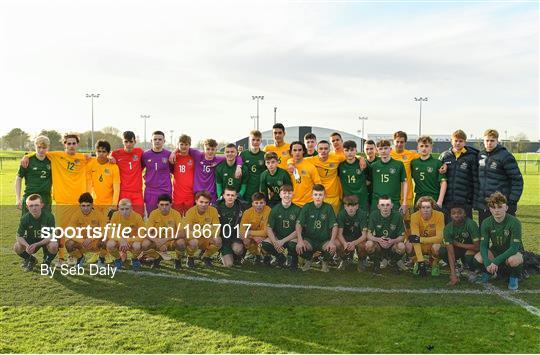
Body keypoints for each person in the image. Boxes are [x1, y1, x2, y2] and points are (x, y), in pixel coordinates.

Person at [21, 132, 91, 265]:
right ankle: (61, 257)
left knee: (77, 231)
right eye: (68, 143)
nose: (71, 146)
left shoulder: (83, 157)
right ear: (64, 145)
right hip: (62, 201)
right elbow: (40, 152)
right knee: (61, 230)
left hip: (78, 201)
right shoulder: (57, 156)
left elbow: (98, 159)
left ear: (77, 144)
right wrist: (26, 155)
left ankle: (76, 256)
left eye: (73, 143)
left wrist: (111, 159)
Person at [473, 192, 524, 290]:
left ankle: (514, 277)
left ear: (506, 208)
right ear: (490, 209)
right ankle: (490, 273)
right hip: (496, 250)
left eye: (500, 207)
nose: (497, 210)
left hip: (512, 252)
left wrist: (495, 261)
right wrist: (488, 263)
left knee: (514, 260)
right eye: (493, 207)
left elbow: (514, 248)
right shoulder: (486, 222)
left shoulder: (515, 222)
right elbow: (483, 246)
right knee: (478, 258)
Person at [170, 138, 243, 204]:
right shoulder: (197, 155)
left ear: (216, 150)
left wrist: (239, 167)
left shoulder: (218, 159)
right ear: (204, 149)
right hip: (198, 193)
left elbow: (237, 157)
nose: (210, 152)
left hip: (211, 195)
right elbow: (182, 147)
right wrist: (173, 152)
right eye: (208, 149)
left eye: (212, 149)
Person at [475, 129, 523, 225]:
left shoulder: (505, 156)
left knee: (505, 236)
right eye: (487, 140)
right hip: (484, 205)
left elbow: (517, 180)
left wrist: (512, 201)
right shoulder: (480, 156)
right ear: (483, 141)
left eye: (492, 141)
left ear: (497, 141)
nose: (489, 143)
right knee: (484, 236)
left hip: (501, 205)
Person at [295, 184, 338, 272]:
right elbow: (299, 224)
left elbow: (334, 226)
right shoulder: (307, 207)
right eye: (315, 194)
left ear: (324, 196)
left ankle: (325, 261)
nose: (318, 197)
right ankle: (308, 259)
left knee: (333, 246)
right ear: (312, 195)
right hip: (310, 240)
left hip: (324, 241)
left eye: (320, 195)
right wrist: (300, 240)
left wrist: (332, 241)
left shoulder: (328, 208)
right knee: (299, 246)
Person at [438, 129, 478, 222]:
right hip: (447, 200)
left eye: (461, 141)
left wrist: (474, 199)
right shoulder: (444, 156)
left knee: (466, 228)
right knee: (448, 228)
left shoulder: (472, 157)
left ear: (465, 142)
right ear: (451, 141)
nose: (458, 143)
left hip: (464, 201)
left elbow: (475, 180)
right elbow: (439, 177)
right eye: (456, 140)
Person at [14, 194, 58, 271]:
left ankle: (46, 262)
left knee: (54, 245)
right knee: (17, 247)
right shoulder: (25, 218)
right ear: (27, 207)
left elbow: (51, 236)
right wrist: (27, 246)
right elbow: (19, 236)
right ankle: (31, 259)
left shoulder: (49, 216)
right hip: (32, 239)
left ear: (41, 205)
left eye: (36, 205)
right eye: (31, 206)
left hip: (45, 240)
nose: (34, 208)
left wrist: (37, 244)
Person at [438, 203, 480, 286]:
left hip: (470, 250)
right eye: (453, 213)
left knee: (469, 255)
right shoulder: (448, 228)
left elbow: (477, 247)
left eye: (459, 213)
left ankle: (472, 270)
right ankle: (456, 269)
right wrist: (453, 274)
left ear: (464, 213)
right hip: (457, 250)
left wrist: (458, 244)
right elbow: (450, 253)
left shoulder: (471, 224)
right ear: (450, 215)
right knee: (443, 251)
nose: (456, 215)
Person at [261, 185, 301, 269]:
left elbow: (299, 230)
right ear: (280, 195)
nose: (287, 195)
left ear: (293, 194)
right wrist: (275, 242)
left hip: (291, 238)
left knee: (293, 244)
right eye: (284, 193)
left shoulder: (298, 210)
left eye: (289, 193)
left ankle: (293, 259)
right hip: (278, 237)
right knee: (265, 244)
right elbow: (269, 228)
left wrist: (282, 241)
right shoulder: (275, 209)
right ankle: (280, 257)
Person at [365, 196, 406, 274]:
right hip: (379, 243)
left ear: (392, 206)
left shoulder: (397, 216)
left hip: (392, 244)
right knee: (368, 244)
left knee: (402, 246)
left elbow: (402, 236)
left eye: (387, 205)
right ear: (378, 206)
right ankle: (376, 263)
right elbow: (368, 235)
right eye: (382, 205)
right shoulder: (374, 215)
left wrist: (392, 241)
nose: (385, 207)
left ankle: (393, 262)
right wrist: (378, 240)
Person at [65, 193, 108, 267]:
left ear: (92, 205)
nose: (86, 208)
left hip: (95, 243)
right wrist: (82, 241)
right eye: (83, 206)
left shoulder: (98, 214)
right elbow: (69, 232)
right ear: (80, 206)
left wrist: (91, 238)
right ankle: (80, 258)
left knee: (106, 240)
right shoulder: (76, 215)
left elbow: (105, 231)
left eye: (88, 205)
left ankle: (101, 258)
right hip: (82, 244)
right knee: (69, 244)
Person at [406, 196, 445, 277]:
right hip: (420, 245)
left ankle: (434, 263)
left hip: (432, 244)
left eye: (428, 207)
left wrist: (420, 239)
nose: (426, 210)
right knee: (408, 245)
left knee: (437, 247)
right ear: (419, 208)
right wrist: (421, 262)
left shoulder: (439, 215)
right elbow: (415, 240)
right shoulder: (414, 216)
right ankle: (416, 261)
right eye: (423, 207)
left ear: (432, 208)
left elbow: (440, 237)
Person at [145, 194, 184, 269]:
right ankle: (157, 257)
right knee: (145, 244)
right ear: (157, 205)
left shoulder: (176, 214)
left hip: (171, 241)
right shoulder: (153, 213)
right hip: (158, 241)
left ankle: (178, 260)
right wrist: (156, 241)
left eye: (167, 205)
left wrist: (165, 239)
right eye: (161, 205)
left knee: (181, 242)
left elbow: (182, 233)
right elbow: (147, 232)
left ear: (171, 205)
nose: (164, 207)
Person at [183, 191, 222, 267]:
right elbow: (188, 232)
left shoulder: (213, 211)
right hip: (195, 238)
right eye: (201, 202)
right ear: (196, 201)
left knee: (218, 240)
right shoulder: (190, 212)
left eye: (206, 202)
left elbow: (217, 229)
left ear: (209, 203)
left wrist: (204, 232)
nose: (203, 205)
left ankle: (205, 257)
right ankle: (190, 257)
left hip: (207, 238)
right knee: (193, 243)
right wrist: (203, 231)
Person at [16, 135, 52, 215]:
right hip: (30, 197)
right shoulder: (27, 160)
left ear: (48, 147)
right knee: (27, 225)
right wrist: (18, 198)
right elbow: (18, 178)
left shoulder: (52, 161)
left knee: (46, 226)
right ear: (35, 146)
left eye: (44, 147)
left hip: (45, 199)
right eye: (39, 147)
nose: (41, 150)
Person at [111, 131, 145, 216]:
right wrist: (110, 158)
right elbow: (104, 158)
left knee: (139, 216)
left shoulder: (140, 152)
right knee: (123, 217)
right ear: (122, 141)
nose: (128, 144)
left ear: (135, 142)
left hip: (137, 191)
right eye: (126, 141)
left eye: (131, 142)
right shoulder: (116, 154)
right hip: (123, 191)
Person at [369, 140, 407, 213]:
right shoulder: (373, 166)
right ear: (377, 151)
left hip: (393, 201)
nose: (383, 151)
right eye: (380, 149)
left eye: (385, 148)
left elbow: (405, 182)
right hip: (376, 202)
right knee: (375, 223)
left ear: (390, 149)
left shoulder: (399, 164)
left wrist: (404, 201)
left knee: (395, 223)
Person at [107, 198, 146, 270]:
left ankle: (134, 259)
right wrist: (121, 240)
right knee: (110, 244)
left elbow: (142, 234)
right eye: (122, 209)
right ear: (118, 208)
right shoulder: (115, 215)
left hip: (131, 242)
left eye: (127, 209)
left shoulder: (137, 216)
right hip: (120, 241)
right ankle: (118, 259)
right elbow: (110, 232)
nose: (124, 212)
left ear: (131, 208)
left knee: (137, 245)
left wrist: (127, 240)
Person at [141, 131, 173, 215]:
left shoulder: (169, 155)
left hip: (165, 190)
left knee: (165, 217)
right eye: (155, 139)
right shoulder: (145, 155)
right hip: (150, 191)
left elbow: (174, 171)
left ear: (164, 141)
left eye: (160, 139)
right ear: (151, 141)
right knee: (152, 217)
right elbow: (139, 169)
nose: (157, 141)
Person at [411, 136, 447, 207]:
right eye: (421, 146)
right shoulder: (413, 163)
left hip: (433, 197)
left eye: (427, 146)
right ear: (418, 148)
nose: (424, 148)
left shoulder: (437, 163)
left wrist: (440, 201)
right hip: (419, 197)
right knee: (417, 217)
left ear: (431, 148)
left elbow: (443, 182)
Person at [86, 140, 120, 214]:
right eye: (99, 151)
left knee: (106, 225)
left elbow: (116, 188)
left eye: (104, 151)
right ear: (96, 152)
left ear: (108, 153)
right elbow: (88, 184)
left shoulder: (114, 167)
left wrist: (114, 205)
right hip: (95, 203)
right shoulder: (90, 164)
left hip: (108, 204)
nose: (101, 154)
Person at [335, 195, 368, 271]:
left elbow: (364, 235)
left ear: (357, 206)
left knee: (363, 245)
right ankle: (344, 259)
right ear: (345, 207)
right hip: (346, 238)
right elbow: (339, 234)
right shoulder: (341, 214)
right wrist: (345, 243)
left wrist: (354, 243)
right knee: (336, 243)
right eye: (348, 206)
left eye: (353, 206)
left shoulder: (362, 214)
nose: (350, 208)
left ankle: (361, 260)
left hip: (358, 239)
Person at [216, 187, 245, 267]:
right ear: (223, 196)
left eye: (232, 195)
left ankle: (237, 256)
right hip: (223, 238)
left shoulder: (241, 207)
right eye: (228, 195)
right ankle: (221, 253)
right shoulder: (217, 207)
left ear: (236, 197)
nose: (230, 197)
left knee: (238, 249)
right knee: (228, 265)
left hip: (235, 237)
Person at [287, 141, 321, 207]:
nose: (297, 152)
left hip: (308, 203)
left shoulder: (310, 167)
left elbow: (318, 185)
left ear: (303, 151)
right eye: (294, 150)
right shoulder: (288, 166)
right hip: (292, 203)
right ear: (291, 152)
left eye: (300, 150)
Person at [240, 192, 272, 264]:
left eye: (261, 203)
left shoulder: (268, 211)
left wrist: (250, 232)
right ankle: (256, 255)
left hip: (265, 236)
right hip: (252, 237)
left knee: (265, 241)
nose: (259, 205)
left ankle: (267, 255)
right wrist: (253, 237)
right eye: (256, 203)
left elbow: (266, 232)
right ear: (252, 204)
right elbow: (241, 231)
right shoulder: (247, 213)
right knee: (246, 240)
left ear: (265, 203)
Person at [339, 140, 370, 211]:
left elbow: (369, 180)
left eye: (352, 150)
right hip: (347, 199)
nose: (349, 153)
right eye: (346, 150)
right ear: (343, 152)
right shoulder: (340, 165)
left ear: (356, 150)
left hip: (361, 199)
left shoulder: (363, 164)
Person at [240, 130, 267, 205]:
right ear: (249, 140)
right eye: (253, 139)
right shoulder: (243, 154)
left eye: (258, 140)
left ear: (261, 141)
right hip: (247, 188)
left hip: (260, 188)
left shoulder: (264, 155)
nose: (255, 142)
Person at [172, 134, 195, 216]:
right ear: (178, 145)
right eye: (181, 144)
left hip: (190, 195)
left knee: (189, 220)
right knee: (177, 220)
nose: (184, 146)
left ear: (190, 145)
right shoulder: (174, 158)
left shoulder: (193, 158)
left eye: (186, 144)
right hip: (177, 195)